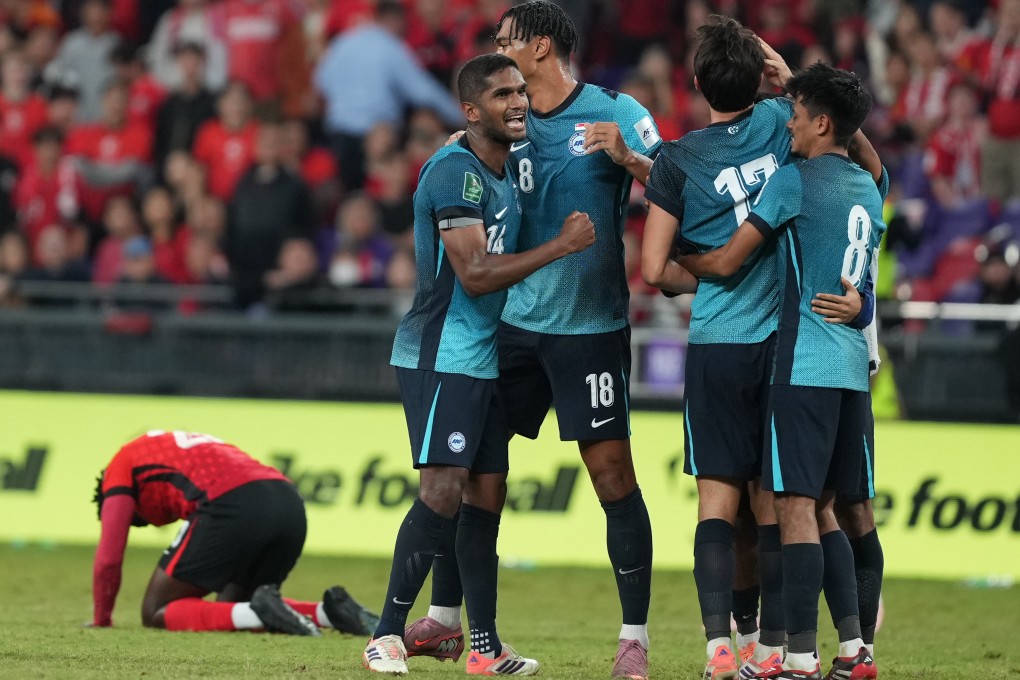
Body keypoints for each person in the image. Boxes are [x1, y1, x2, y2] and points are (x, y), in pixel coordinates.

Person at [640, 19, 880, 680]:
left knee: (717, 506)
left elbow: (656, 269)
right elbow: (860, 158)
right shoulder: (785, 120)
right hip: (788, 344)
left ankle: (724, 646)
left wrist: (702, 270)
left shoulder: (677, 159)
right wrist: (789, 75)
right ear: (763, 79)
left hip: (719, 342)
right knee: (784, 505)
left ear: (695, 84)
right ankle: (783, 643)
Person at [361, 52, 594, 676]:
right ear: (471, 112)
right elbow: (475, 272)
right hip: (440, 354)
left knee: (487, 496)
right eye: (502, 96)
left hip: (482, 356)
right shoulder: (454, 175)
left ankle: (484, 647)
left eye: (520, 91)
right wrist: (561, 247)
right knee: (441, 491)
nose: (518, 102)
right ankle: (384, 634)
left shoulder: (503, 166)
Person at [487, 4, 661, 677]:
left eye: (505, 42)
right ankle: (457, 624)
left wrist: (630, 158)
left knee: (612, 475)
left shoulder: (618, 111)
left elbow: (681, 184)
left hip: (590, 328)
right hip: (513, 324)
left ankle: (634, 637)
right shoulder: (507, 113)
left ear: (540, 46)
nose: (498, 54)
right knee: (472, 469)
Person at [91, 429, 379, 637]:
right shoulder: (168, 446)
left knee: (156, 610)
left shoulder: (121, 465)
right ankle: (328, 612)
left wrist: (102, 619)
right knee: (232, 611)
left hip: (233, 503)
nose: (155, 524)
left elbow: (109, 558)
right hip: (288, 502)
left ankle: (259, 612)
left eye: (139, 520)